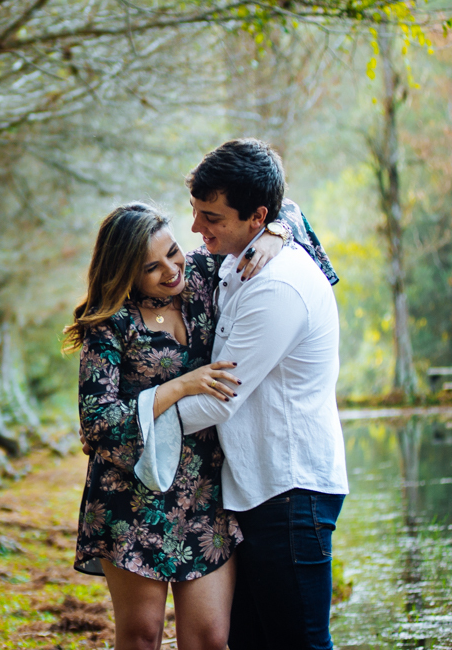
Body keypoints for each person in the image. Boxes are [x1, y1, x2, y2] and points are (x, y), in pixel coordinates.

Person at [64, 193, 334, 650]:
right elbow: (97, 425)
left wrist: (274, 234)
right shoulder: (110, 325)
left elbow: (284, 207)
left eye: (172, 252)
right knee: (141, 635)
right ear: (125, 273)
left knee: (210, 638)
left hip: (207, 492)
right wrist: (178, 386)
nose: (171, 269)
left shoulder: (206, 276)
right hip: (132, 497)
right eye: (152, 267)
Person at [155, 139, 347, 650]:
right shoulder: (239, 259)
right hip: (256, 490)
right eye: (196, 212)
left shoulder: (277, 286)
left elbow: (219, 399)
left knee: (300, 642)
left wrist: (140, 417)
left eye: (210, 216)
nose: (197, 228)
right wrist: (280, 230)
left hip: (290, 490)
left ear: (258, 216)